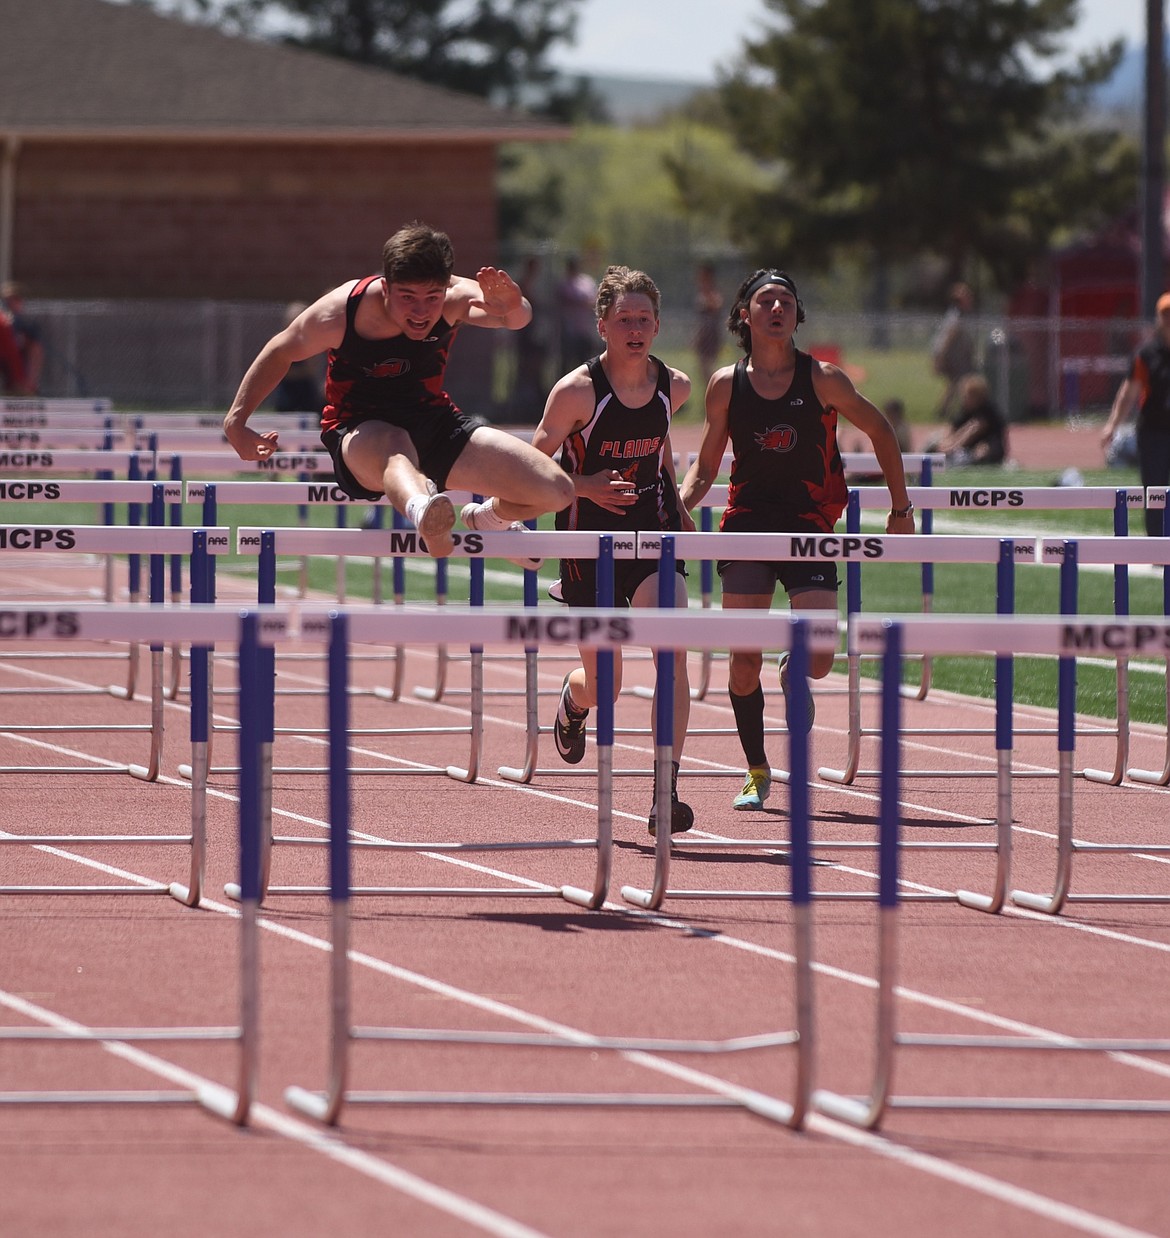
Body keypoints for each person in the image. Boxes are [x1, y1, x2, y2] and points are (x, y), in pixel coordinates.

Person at [679, 268, 915, 811]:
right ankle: (757, 770)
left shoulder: (823, 379)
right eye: (766, 300)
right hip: (747, 523)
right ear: (746, 314)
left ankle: (792, 671)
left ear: (796, 314)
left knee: (820, 656)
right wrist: (679, 506)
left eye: (787, 300)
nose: (778, 308)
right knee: (741, 661)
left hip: (809, 524)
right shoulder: (724, 384)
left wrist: (900, 508)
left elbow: (880, 431)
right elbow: (707, 465)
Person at [223, 222, 574, 562]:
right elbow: (281, 350)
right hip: (360, 432)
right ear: (386, 288)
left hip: (432, 421)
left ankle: (487, 519)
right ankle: (423, 510)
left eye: (431, 298)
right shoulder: (344, 311)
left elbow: (515, 318)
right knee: (394, 445)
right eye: (408, 298)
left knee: (557, 490)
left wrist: (514, 305)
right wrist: (236, 422)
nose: (421, 312)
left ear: (445, 290)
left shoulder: (455, 296)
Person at [530, 265, 695, 837]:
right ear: (602, 325)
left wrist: (678, 503)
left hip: (652, 537)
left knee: (671, 653)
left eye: (644, 318)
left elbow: (661, 446)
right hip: (587, 545)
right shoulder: (577, 392)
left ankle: (664, 788)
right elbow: (531, 467)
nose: (635, 328)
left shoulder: (675, 385)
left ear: (657, 325)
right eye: (624, 318)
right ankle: (572, 704)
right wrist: (586, 485)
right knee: (607, 688)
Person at [1100, 293, 1170, 536]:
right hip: (1154, 431)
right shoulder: (1147, 354)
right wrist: (1112, 425)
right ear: (1159, 319)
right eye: (1166, 315)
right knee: (1155, 490)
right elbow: (1128, 393)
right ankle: (1156, 545)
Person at [924, 374, 1007, 466]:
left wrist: (952, 446)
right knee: (935, 438)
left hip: (987, 447)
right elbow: (953, 427)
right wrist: (946, 441)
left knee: (981, 453)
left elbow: (973, 430)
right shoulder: (966, 410)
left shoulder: (988, 411)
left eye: (967, 396)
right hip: (968, 448)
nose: (964, 399)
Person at [930, 281, 976, 421]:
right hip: (951, 356)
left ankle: (944, 411)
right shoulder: (956, 316)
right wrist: (941, 358)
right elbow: (948, 337)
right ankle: (961, 410)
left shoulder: (961, 315)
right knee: (960, 382)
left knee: (954, 384)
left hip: (959, 356)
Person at [271, 301, 325, 412]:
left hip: (305, 388)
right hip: (286, 389)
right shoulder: (280, 339)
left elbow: (311, 369)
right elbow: (276, 368)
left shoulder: (311, 340)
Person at [556, 255, 598, 374]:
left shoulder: (586, 282)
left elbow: (594, 300)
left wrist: (581, 303)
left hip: (584, 330)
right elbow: (564, 300)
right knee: (567, 364)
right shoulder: (564, 283)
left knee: (586, 363)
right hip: (569, 331)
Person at [0, 282, 37, 394]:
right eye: (8, 300)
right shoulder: (4, 322)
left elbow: (36, 351)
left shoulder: (25, 323)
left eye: (16, 299)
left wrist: (28, 380)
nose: (11, 303)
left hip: (15, 372)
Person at [693, 261, 725, 389]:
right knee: (702, 370)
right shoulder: (702, 292)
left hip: (711, 335)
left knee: (708, 369)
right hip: (703, 335)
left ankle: (716, 393)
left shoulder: (713, 293)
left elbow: (716, 308)